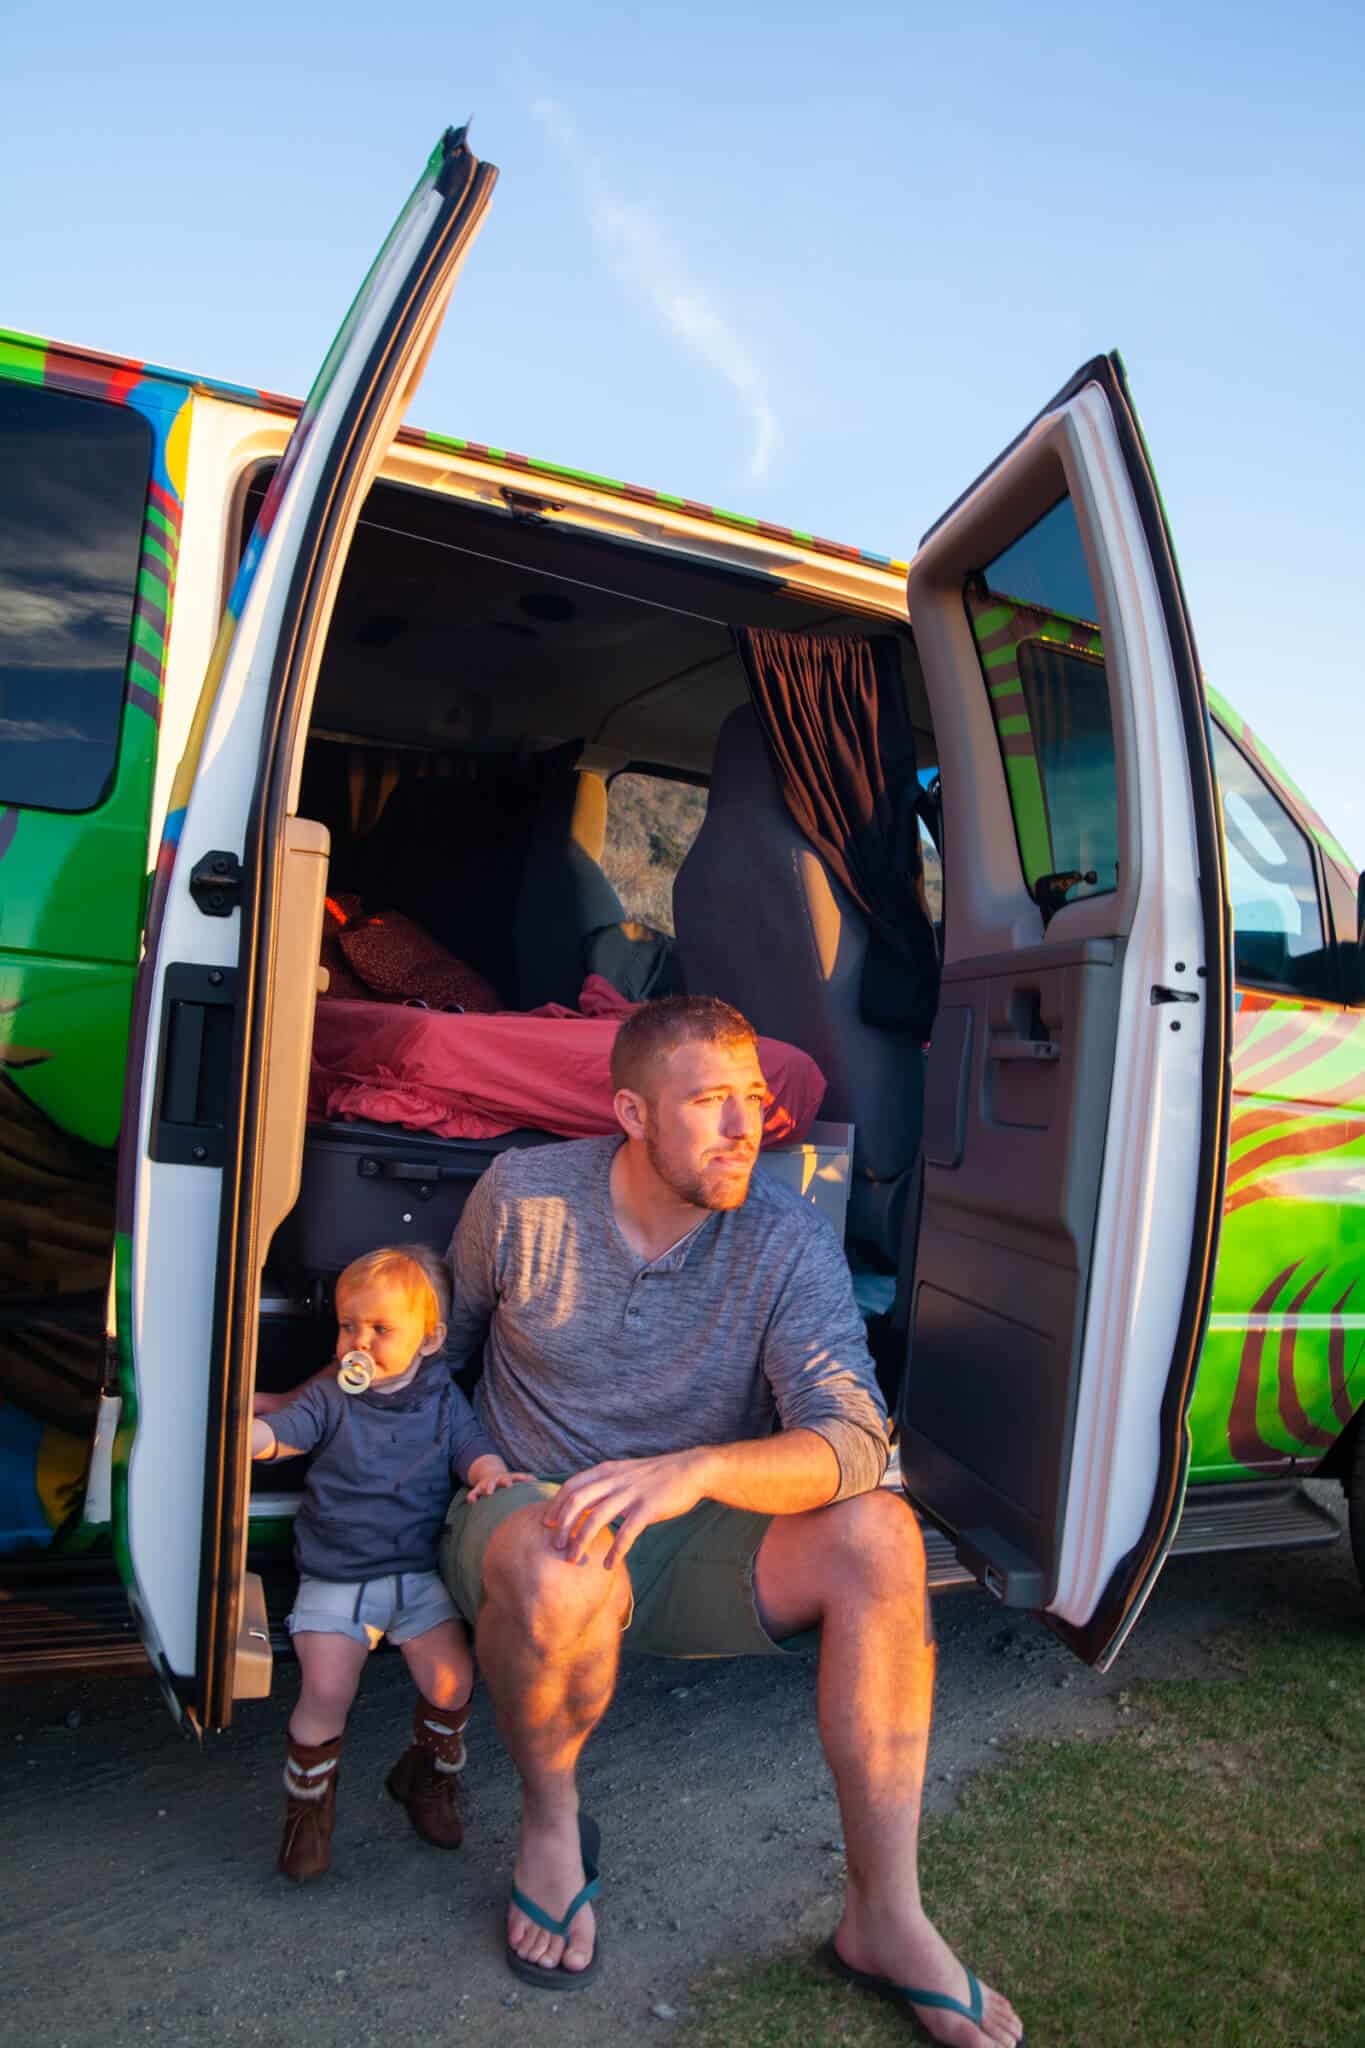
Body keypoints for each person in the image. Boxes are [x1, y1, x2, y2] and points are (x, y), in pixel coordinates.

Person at [438, 995, 1025, 2047]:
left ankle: (885, 1916)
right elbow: (443, 1356)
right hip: (531, 1518)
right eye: (710, 1102)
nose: (746, 1126)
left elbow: (851, 1437)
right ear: (631, 1110)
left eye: (753, 1099)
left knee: (880, 1533)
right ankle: (553, 1827)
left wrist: (695, 1468)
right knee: (562, 1559)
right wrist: (455, 1461)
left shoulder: (786, 1233)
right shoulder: (522, 1196)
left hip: (689, 1528)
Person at [251, 1243, 528, 1882]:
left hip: (413, 1572)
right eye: (349, 1326)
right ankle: (309, 1809)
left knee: (453, 1681)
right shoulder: (335, 1397)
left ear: (428, 1341)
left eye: (381, 1330)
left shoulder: (441, 1397)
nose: (359, 1342)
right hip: (337, 1573)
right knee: (326, 1688)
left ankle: (426, 1776)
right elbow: (289, 1429)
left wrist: (488, 1472)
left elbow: (471, 1445)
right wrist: (256, 1439)